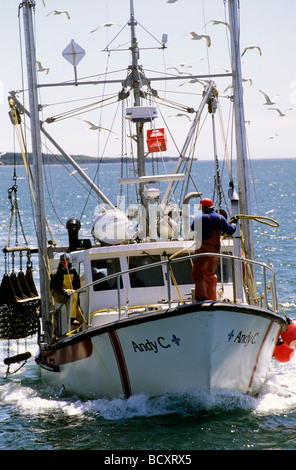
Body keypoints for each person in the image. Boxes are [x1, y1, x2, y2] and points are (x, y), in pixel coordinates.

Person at [191, 198, 236, 302]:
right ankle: (212, 299)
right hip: (215, 252)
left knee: (197, 275)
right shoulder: (220, 218)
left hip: (203, 251)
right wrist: (234, 223)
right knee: (210, 274)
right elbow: (230, 231)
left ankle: (201, 300)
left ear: (202, 207)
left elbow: (193, 229)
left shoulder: (200, 218)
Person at [50, 253, 83, 324]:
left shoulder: (73, 271)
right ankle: (71, 319)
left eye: (66, 259)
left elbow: (77, 286)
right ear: (60, 260)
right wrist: (64, 292)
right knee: (72, 294)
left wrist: (78, 302)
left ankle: (74, 331)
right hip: (59, 295)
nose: (65, 261)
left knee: (80, 315)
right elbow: (55, 287)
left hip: (71, 294)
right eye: (62, 260)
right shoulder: (55, 272)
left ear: (69, 260)